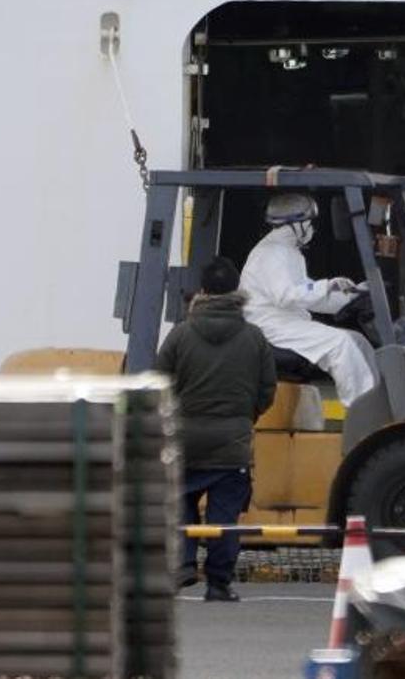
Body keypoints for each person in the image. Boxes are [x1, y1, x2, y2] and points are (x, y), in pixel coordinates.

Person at [155, 257, 276, 602]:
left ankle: (184, 563)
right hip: (232, 443)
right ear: (238, 292)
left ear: (203, 291)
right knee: (225, 516)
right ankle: (219, 583)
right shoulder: (254, 338)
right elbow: (267, 388)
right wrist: (245, 417)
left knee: (181, 502)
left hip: (185, 440)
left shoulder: (180, 334)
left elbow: (158, 383)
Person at [240, 192, 379, 406]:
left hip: (288, 323)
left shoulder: (288, 251)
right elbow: (286, 296)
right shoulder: (271, 254)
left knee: (357, 340)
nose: (312, 228)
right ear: (296, 225)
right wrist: (326, 285)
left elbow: (306, 297)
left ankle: (377, 399)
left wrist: (348, 297)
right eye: (309, 223)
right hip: (271, 328)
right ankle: (362, 410)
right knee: (340, 344)